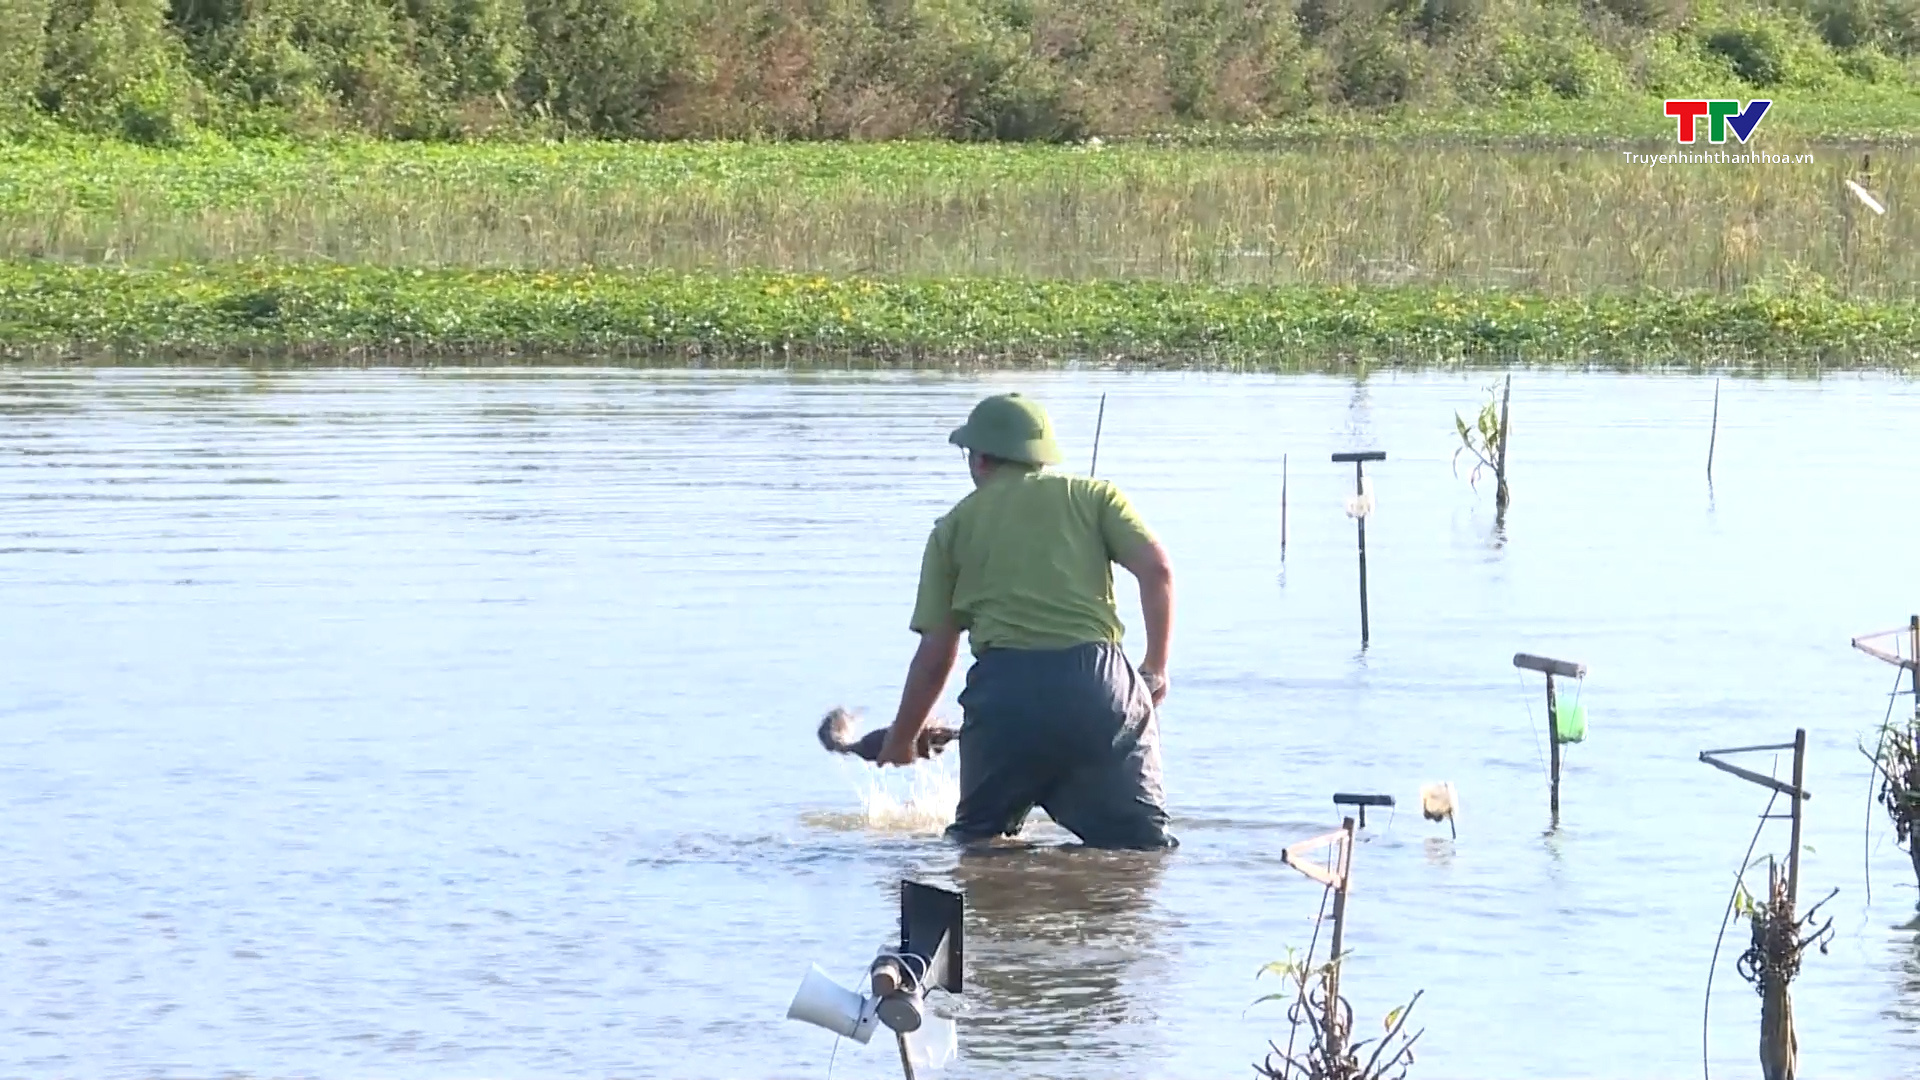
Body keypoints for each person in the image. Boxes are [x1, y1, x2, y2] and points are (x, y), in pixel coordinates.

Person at [876, 392, 1177, 850]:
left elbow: (936, 654)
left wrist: (901, 739)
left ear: (979, 459)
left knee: (979, 845)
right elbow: (1158, 571)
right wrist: (1156, 665)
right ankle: (1118, 919)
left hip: (1005, 695)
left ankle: (995, 915)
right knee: (1140, 851)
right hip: (1099, 691)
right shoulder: (1094, 497)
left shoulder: (952, 528)